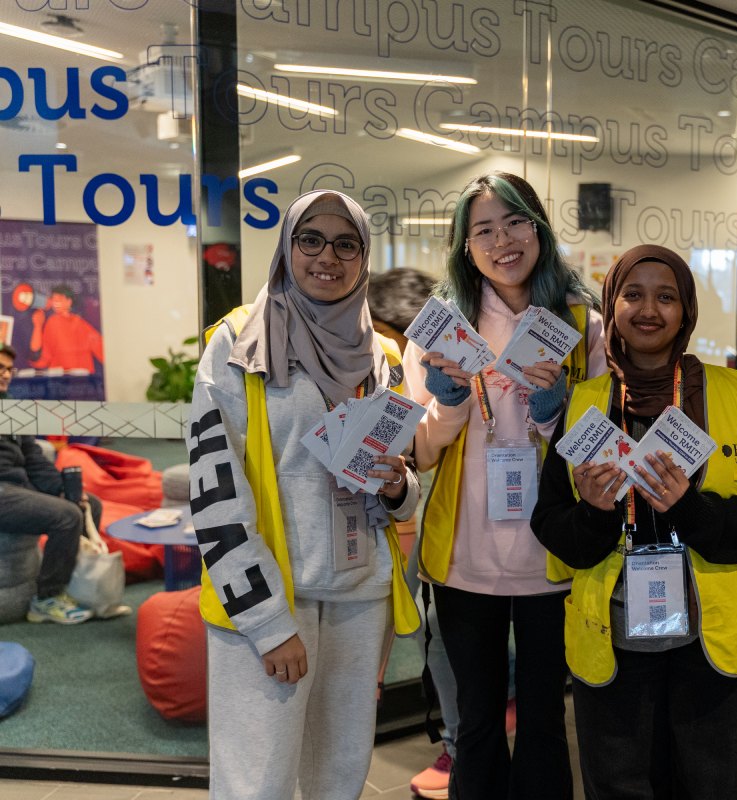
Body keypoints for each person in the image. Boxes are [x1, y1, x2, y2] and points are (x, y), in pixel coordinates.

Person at [532, 244, 737, 799]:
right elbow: (552, 525)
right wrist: (594, 513)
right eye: (633, 294)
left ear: (687, 310)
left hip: (722, 644)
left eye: (666, 296)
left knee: (723, 787)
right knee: (622, 787)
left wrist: (692, 510)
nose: (649, 309)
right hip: (615, 640)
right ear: (613, 306)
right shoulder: (584, 403)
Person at [189, 190, 422, 800]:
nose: (328, 256)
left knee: (338, 777)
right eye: (310, 239)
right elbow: (215, 493)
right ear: (286, 247)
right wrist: (267, 623)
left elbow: (398, 482)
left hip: (360, 598)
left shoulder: (384, 356)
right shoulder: (237, 343)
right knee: (256, 781)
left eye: (347, 243)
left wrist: (400, 486)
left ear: (364, 257)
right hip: (272, 600)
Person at [402, 170, 605, 800]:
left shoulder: (582, 324)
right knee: (477, 722)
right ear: (465, 246)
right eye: (483, 229)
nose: (502, 240)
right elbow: (422, 454)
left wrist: (555, 410)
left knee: (545, 719)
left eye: (514, 222)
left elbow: (596, 447)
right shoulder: (441, 327)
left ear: (538, 229)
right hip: (466, 555)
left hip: (552, 555)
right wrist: (448, 403)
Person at [367, 267, 460, 798]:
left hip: (479, 519)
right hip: (421, 515)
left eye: (394, 336)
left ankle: (459, 741)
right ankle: (457, 737)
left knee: (436, 625)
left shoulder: (436, 366)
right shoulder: (376, 367)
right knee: (430, 623)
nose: (387, 348)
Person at [0, 343, 101, 624]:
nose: (6, 375)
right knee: (66, 516)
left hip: (17, 487)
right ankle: (46, 599)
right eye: (0, 368)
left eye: (9, 369)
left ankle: (76, 584)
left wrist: (64, 489)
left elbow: (34, 461)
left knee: (86, 503)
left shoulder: (12, 409)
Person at [28, 285, 104, 374]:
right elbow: (45, 354)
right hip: (61, 378)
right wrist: (38, 326)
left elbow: (100, 347)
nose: (55, 302)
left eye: (59, 299)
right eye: (53, 299)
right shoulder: (52, 322)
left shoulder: (80, 323)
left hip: (81, 378)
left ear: (69, 302)